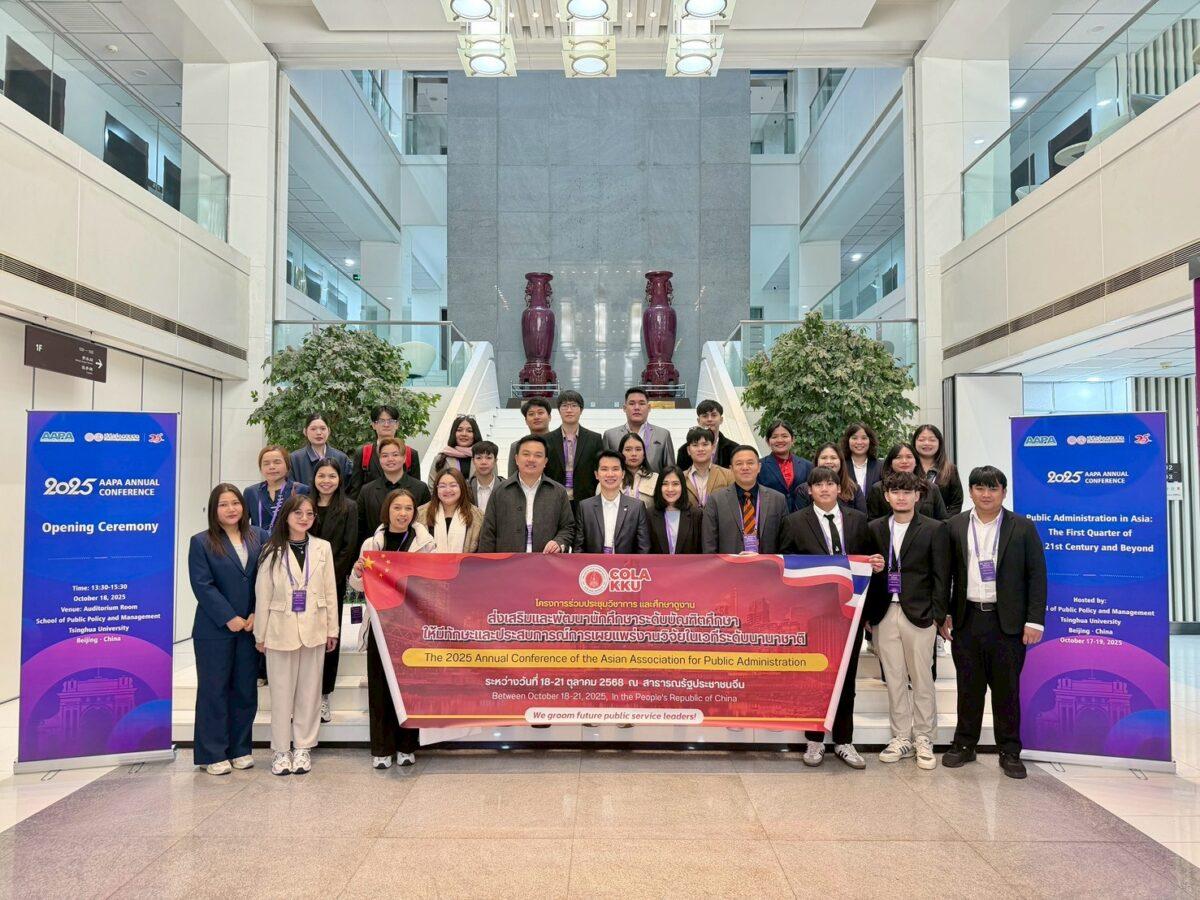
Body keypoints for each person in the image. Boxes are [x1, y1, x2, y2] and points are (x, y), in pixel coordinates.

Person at [942, 466, 1047, 779]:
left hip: (1008, 622)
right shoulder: (955, 525)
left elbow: (1036, 576)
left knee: (1006, 690)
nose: (985, 494)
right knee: (968, 687)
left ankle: (1010, 750)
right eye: (979, 488)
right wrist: (943, 613)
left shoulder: (1023, 527)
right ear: (970, 491)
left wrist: (1035, 621)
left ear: (1004, 492)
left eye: (992, 488)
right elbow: (946, 574)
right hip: (967, 618)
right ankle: (964, 744)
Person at [780, 467, 884, 769]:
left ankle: (844, 740)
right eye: (818, 485)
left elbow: (869, 561)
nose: (825, 489)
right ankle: (814, 740)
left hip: (849, 612)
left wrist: (876, 564)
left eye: (830, 484)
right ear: (809, 490)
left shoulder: (859, 520)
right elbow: (785, 564)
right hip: (813, 614)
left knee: (846, 677)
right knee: (813, 677)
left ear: (839, 488)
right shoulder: (794, 522)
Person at [864, 471, 950, 772]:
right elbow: (867, 574)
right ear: (886, 496)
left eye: (907, 492)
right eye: (895, 492)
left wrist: (938, 615)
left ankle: (924, 737)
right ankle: (901, 736)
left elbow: (942, 575)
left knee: (922, 678)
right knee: (894, 677)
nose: (901, 497)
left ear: (917, 496)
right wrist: (868, 614)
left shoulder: (934, 528)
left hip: (920, 613)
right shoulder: (874, 528)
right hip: (884, 612)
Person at [349, 488, 436, 768]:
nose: (403, 513)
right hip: (380, 623)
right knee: (380, 686)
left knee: (411, 687)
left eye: (408, 508)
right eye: (397, 508)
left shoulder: (426, 543)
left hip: (411, 625)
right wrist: (358, 572)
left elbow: (433, 583)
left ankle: (406, 747)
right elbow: (357, 586)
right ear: (387, 510)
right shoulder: (372, 543)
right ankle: (382, 748)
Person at [253, 494, 339, 776]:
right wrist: (260, 634)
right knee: (281, 693)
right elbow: (263, 594)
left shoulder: (323, 547)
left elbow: (330, 591)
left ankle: (303, 747)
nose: (304, 518)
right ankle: (281, 750)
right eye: (298, 513)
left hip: (315, 628)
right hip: (280, 629)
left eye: (310, 514)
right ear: (287, 516)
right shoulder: (271, 549)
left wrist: (332, 629)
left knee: (310, 693)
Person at [187, 484, 268, 775]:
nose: (231, 509)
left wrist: (257, 612)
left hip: (250, 627)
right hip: (214, 629)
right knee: (214, 690)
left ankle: (240, 749)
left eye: (235, 503)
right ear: (214, 509)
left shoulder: (260, 536)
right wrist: (228, 617)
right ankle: (212, 753)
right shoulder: (201, 542)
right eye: (224, 504)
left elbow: (267, 578)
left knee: (245, 690)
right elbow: (202, 585)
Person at [309, 458, 358, 725]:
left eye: (332, 476)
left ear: (340, 480)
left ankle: (324, 694)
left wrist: (326, 579)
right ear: (314, 478)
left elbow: (348, 548)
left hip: (332, 584)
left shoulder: (349, 507)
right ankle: (304, 695)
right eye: (321, 476)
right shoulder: (303, 505)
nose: (326, 481)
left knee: (329, 638)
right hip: (300, 584)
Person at [478, 434, 574, 553]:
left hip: (546, 561)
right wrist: (486, 562)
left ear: (545, 461)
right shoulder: (500, 491)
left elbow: (568, 528)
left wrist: (558, 542)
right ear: (517, 459)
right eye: (526, 454)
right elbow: (488, 533)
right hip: (508, 562)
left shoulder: (558, 492)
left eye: (538, 455)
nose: (531, 459)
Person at [702, 446, 788, 554]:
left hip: (767, 563)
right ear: (731, 469)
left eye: (750, 463)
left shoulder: (778, 499)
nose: (745, 467)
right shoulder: (716, 500)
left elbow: (785, 542)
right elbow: (709, 544)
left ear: (759, 467)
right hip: (728, 564)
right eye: (739, 464)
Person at [574, 451, 651, 553]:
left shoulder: (637, 507)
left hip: (626, 563)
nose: (610, 474)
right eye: (604, 469)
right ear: (596, 474)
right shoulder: (585, 507)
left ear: (623, 474)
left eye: (615, 469)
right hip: (594, 563)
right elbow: (578, 548)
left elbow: (643, 548)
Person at [357, 437, 432, 537]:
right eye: (385, 456)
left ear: (404, 458)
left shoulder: (420, 488)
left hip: (411, 545)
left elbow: (426, 523)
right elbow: (359, 527)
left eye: (395, 455)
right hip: (376, 545)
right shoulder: (367, 490)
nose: (390, 459)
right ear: (379, 460)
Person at [544, 390, 603, 505]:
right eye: (564, 406)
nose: (569, 410)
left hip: (586, 500)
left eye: (574, 406)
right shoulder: (547, 439)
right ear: (559, 410)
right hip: (554, 500)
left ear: (581, 410)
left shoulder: (594, 439)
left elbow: (599, 469)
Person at [348, 405, 421, 497]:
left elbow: (416, 490)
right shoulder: (363, 453)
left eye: (391, 421)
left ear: (397, 424)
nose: (386, 425)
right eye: (381, 421)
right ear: (374, 425)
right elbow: (356, 490)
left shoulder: (410, 453)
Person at [866, 443, 948, 521]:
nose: (904, 461)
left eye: (909, 457)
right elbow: (873, 522)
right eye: (898, 457)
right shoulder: (879, 488)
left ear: (916, 462)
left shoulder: (931, 488)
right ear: (890, 463)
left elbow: (943, 520)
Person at [603, 387, 675, 472]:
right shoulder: (610, 436)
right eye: (632, 403)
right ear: (624, 408)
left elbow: (671, 471)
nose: (637, 407)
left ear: (649, 408)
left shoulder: (663, 435)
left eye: (641, 403)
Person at [418, 467, 484, 553]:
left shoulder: (478, 516)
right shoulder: (421, 513)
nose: (448, 490)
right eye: (442, 486)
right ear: (436, 489)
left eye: (453, 485)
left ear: (462, 487)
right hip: (428, 562)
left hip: (465, 562)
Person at [244, 445, 309, 531]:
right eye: (266, 463)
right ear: (261, 468)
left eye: (277, 462)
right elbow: (242, 523)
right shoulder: (251, 492)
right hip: (259, 539)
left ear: (287, 466)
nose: (272, 467)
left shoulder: (301, 490)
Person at [792, 443, 867, 514]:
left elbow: (861, 519)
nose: (828, 461)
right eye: (824, 458)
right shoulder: (803, 490)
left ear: (841, 461)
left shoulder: (854, 489)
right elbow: (799, 519)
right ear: (817, 461)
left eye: (833, 458)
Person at [758, 420, 813, 512]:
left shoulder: (807, 465)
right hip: (772, 517)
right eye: (774, 437)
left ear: (792, 439)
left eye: (784, 436)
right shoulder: (759, 466)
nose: (780, 440)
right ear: (768, 441)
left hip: (802, 517)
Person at [648, 466, 703, 555]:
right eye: (665, 484)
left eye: (675, 484)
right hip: (657, 564)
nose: (670, 489)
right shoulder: (649, 514)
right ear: (659, 487)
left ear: (682, 486)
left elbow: (700, 550)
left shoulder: (696, 515)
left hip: (688, 564)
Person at [913, 423, 964, 516]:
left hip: (940, 522)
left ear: (939, 443)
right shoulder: (908, 468)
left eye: (932, 440)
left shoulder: (950, 469)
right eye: (921, 440)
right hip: (911, 522)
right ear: (914, 442)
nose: (927, 443)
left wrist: (945, 521)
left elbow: (956, 503)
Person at [289, 414, 352, 490]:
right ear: (305, 431)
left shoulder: (341, 458)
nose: (318, 433)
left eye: (323, 428)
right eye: (313, 429)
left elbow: (349, 488)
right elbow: (289, 488)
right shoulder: (294, 459)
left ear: (329, 431)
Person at [675, 399, 737, 470]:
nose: (709, 419)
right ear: (698, 421)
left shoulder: (734, 449)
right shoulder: (684, 451)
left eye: (714, 415)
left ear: (721, 420)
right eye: (705, 416)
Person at [681, 427, 733, 509]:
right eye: (695, 445)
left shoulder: (728, 475)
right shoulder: (681, 478)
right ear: (688, 450)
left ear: (713, 448)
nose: (700, 449)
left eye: (705, 444)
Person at [430, 415, 483, 486]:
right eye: (459, 430)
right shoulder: (440, 458)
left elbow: (494, 486)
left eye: (469, 431)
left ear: (475, 434)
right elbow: (432, 486)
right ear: (454, 433)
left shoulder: (485, 458)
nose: (464, 434)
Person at [507, 398, 553, 477]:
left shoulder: (561, 444)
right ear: (526, 420)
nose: (536, 417)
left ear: (549, 417)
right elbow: (512, 478)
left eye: (540, 413)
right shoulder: (516, 446)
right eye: (531, 414)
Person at [841, 422, 883, 499]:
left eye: (864, 438)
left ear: (870, 441)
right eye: (854, 438)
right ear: (847, 441)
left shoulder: (881, 466)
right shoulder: (841, 466)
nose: (859, 442)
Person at [617, 432, 658, 509]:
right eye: (628, 449)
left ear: (644, 454)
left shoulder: (656, 478)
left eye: (638, 449)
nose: (634, 454)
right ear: (621, 453)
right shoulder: (611, 478)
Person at [467, 440, 504, 511]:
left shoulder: (506, 488)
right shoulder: (465, 488)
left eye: (488, 458)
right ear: (473, 461)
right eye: (479, 458)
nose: (483, 462)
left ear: (495, 461)